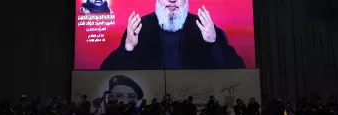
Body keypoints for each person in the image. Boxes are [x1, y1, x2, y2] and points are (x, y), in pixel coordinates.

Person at [100, 0, 245, 70]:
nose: (172, 0)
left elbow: (238, 70)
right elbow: (105, 71)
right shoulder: (140, 28)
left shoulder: (206, 28)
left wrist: (213, 43)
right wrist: (128, 48)